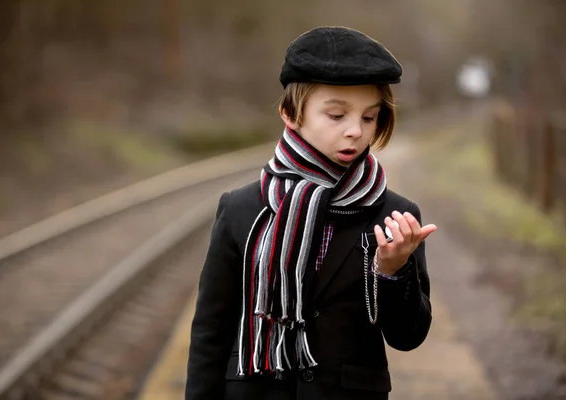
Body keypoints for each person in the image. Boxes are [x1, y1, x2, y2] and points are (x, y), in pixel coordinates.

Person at [185, 26, 437, 400]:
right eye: (336, 115)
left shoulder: (396, 215)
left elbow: (408, 337)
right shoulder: (241, 208)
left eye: (369, 118)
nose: (355, 131)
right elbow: (211, 331)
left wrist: (392, 271)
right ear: (290, 113)